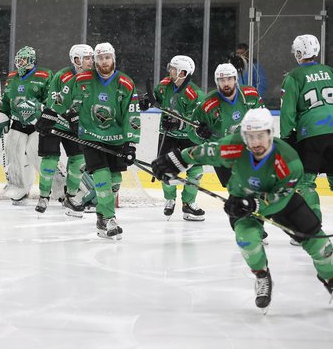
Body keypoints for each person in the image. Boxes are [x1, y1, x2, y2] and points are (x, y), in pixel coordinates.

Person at [151, 108, 333, 309]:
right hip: (242, 201)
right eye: (250, 137)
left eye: (261, 136)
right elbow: (204, 152)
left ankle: (330, 278)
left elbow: (282, 194)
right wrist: (174, 160)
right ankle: (262, 275)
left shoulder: (289, 161)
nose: (255, 143)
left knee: (320, 247)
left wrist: (256, 203)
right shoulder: (234, 146)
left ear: (270, 134)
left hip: (283, 203)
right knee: (247, 241)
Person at [64, 42, 139, 238]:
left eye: (107, 57)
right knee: (102, 176)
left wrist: (130, 143)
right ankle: (109, 218)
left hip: (116, 139)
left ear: (113, 58)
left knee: (115, 180)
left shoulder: (126, 83)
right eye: (100, 58)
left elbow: (131, 115)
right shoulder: (83, 79)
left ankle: (101, 218)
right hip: (90, 137)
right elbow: (66, 99)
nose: (104, 61)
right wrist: (50, 113)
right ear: (95, 61)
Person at [0, 46, 57, 204]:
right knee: (14, 156)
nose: (20, 62)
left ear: (32, 61)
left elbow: (51, 100)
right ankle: (19, 189)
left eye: (24, 59)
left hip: (37, 125)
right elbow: (6, 101)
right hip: (18, 123)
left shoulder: (45, 75)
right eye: (18, 59)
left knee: (40, 158)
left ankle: (59, 189)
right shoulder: (12, 77)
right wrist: (2, 117)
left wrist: (40, 110)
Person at [139, 55, 205, 221]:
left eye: (173, 69)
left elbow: (197, 121)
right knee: (165, 168)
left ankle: (189, 204)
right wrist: (146, 102)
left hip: (188, 138)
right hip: (167, 135)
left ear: (183, 72)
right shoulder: (164, 86)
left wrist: (179, 124)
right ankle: (169, 199)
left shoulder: (195, 95)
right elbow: (155, 98)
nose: (170, 71)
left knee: (196, 170)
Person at [34, 44, 95, 216]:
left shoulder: (94, 78)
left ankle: (71, 197)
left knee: (79, 160)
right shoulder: (62, 76)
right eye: (88, 58)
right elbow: (54, 100)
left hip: (75, 126)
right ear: (77, 60)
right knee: (50, 160)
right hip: (55, 123)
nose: (92, 61)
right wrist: (68, 114)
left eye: (92, 57)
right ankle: (44, 196)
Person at [190, 62, 264, 187]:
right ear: (216, 82)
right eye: (222, 80)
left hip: (247, 147)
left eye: (229, 79)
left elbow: (263, 120)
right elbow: (191, 132)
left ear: (236, 79)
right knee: (234, 187)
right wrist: (199, 133)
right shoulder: (208, 105)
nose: (226, 83)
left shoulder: (251, 95)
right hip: (222, 151)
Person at [280, 34, 333, 195]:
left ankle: (312, 219)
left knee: (305, 183)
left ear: (299, 53)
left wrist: (286, 137)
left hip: (311, 133)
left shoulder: (293, 76)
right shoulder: (330, 71)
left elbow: (287, 110)